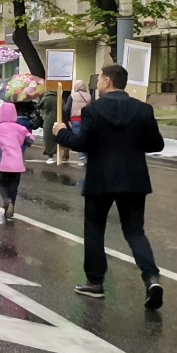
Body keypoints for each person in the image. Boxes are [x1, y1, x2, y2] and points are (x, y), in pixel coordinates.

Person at [54, 64, 164, 309]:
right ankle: (152, 277)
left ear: (107, 81)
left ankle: (95, 283)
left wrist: (61, 132)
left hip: (100, 178)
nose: (99, 84)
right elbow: (157, 144)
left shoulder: (94, 110)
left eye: (100, 79)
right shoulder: (143, 110)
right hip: (134, 179)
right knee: (135, 231)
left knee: (95, 229)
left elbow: (81, 143)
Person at [0, 101, 35, 220]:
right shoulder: (21, 128)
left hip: (2, 162)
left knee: (2, 184)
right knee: (13, 186)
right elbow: (31, 140)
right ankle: (11, 210)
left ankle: (6, 200)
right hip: (17, 163)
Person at [69, 79, 92, 165]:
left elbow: (68, 107)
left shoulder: (72, 96)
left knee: (78, 138)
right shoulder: (89, 96)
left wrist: (68, 119)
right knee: (86, 137)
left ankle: (82, 158)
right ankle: (87, 156)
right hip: (86, 119)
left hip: (75, 120)